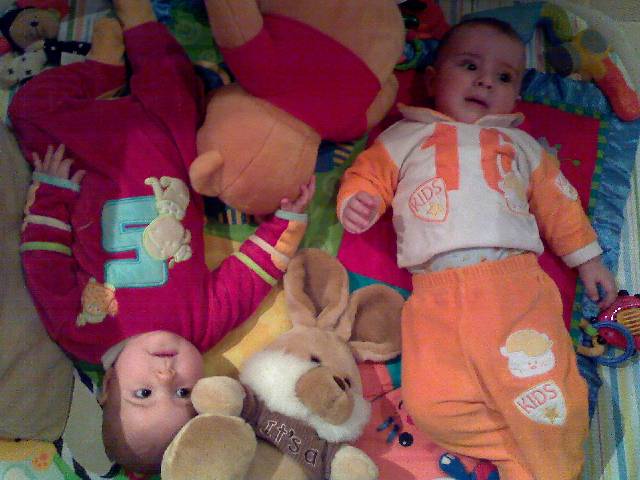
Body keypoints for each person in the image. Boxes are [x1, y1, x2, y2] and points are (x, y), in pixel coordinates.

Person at [10, 0, 315, 474]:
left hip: (85, 158)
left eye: (144, 393)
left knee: (27, 109)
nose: (167, 374)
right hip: (166, 148)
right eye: (183, 392)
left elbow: (44, 262)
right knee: (177, 91)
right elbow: (248, 277)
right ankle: (141, 25)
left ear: (108, 388)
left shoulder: (81, 335)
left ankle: (101, 71)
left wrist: (52, 191)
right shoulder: (201, 327)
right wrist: (286, 221)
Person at [336, 18, 616, 480]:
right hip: (433, 295)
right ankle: (516, 455)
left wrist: (589, 260)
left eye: (504, 76)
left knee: (543, 387)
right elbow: (367, 175)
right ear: (433, 79)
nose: (486, 81)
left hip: (513, 287)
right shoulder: (404, 136)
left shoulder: (522, 146)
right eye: (469, 66)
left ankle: (552, 467)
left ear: (516, 95)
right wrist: (358, 200)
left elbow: (560, 204)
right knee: (430, 404)